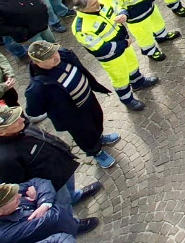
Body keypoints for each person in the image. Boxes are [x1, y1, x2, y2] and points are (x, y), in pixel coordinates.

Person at [0, 104, 103, 212]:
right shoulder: (3, 159)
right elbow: (20, 183)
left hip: (61, 166)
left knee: (69, 189)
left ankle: (74, 197)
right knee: (61, 204)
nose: (22, 119)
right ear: (0, 133)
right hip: (51, 185)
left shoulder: (19, 126)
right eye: (15, 121)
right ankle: (72, 224)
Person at [25, 39, 118, 169]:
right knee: (84, 135)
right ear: (37, 62)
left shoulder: (64, 54)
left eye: (54, 53)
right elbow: (33, 110)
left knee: (97, 119)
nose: (55, 57)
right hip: (73, 116)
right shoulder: (37, 86)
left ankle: (100, 137)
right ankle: (96, 151)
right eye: (49, 58)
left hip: (88, 99)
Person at [70, 0, 159, 111]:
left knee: (132, 64)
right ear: (83, 9)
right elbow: (100, 48)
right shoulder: (80, 28)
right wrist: (123, 44)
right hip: (111, 56)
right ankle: (128, 100)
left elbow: (117, 6)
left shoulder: (101, 2)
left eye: (97, 0)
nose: (98, 4)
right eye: (93, 4)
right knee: (120, 78)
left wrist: (123, 14)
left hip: (124, 44)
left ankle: (138, 82)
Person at [0, 179, 94, 243]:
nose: (19, 195)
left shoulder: (4, 202)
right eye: (13, 199)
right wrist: (38, 200)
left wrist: (44, 203)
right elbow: (53, 218)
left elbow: (38, 181)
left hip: (43, 230)